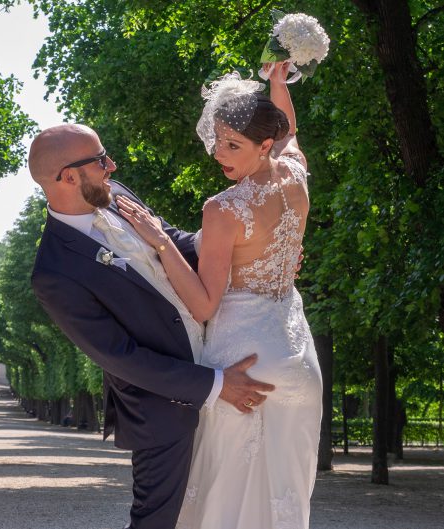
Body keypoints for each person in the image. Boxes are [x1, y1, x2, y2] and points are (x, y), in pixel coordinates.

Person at [29, 123, 275, 529]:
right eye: (99, 160)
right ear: (68, 177)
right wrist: (215, 384)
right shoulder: (54, 273)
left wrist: (248, 247)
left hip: (224, 346)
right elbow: (122, 358)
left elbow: (174, 242)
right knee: (158, 522)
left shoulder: (116, 193)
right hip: (165, 410)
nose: (112, 165)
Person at [117, 62, 323, 529]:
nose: (219, 155)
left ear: (263, 144)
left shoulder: (223, 208)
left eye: (233, 145)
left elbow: (204, 303)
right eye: (218, 141)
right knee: (283, 498)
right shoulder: (296, 175)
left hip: (241, 363)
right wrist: (277, 83)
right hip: (297, 359)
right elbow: (291, 132)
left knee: (223, 499)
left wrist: (161, 241)